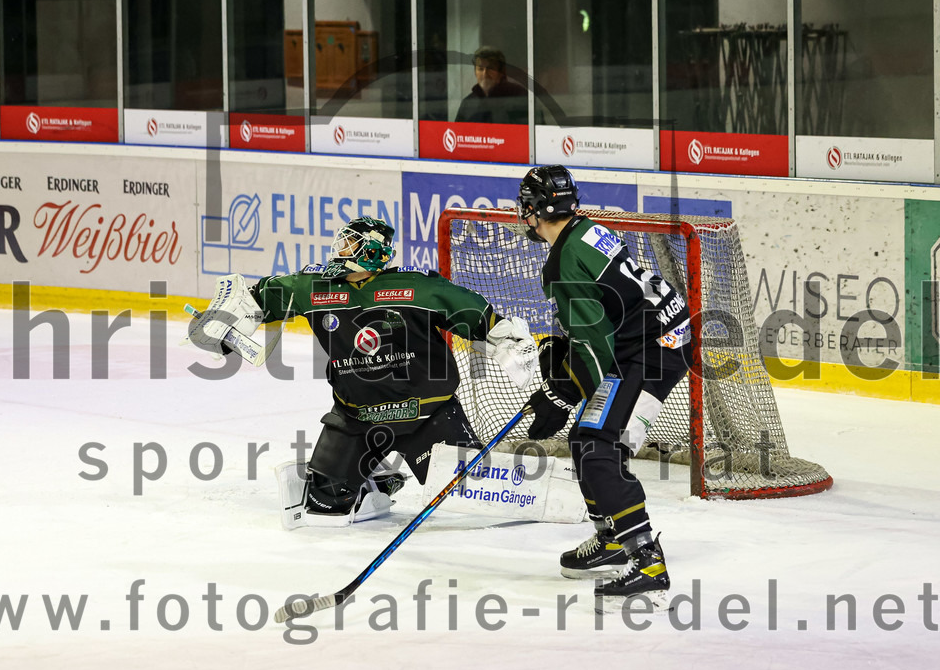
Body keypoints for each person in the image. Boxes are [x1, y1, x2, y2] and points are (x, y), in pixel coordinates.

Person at [187, 216, 536, 529]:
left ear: (370, 251)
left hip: (428, 414)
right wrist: (217, 324)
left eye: (349, 243)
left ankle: (389, 476)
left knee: (483, 495)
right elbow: (256, 299)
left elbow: (479, 318)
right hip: (356, 418)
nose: (340, 249)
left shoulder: (420, 288)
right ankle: (379, 482)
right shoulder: (314, 288)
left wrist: (511, 341)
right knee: (325, 503)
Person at [515, 165, 693, 613]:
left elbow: (596, 348)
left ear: (534, 210)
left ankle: (647, 562)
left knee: (598, 443)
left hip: (653, 349)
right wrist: (568, 387)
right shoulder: (588, 229)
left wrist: (562, 396)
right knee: (585, 437)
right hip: (663, 333)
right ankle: (612, 539)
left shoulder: (560, 264)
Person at [454, 46, 529, 125]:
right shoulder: (468, 102)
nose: (485, 74)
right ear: (475, 72)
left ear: (501, 71)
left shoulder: (519, 96)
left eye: (490, 68)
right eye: (480, 69)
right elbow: (459, 134)